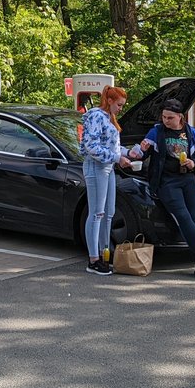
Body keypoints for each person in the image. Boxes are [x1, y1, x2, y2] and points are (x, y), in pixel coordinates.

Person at [140, 99, 195, 280]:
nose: (166, 120)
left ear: (180, 117)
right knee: (182, 217)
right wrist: (141, 150)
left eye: (170, 117)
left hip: (188, 180)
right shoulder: (157, 131)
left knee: (194, 219)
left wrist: (194, 162)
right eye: (164, 117)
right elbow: (142, 152)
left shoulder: (191, 132)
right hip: (166, 182)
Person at [79, 85, 138, 275]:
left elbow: (113, 148)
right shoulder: (97, 115)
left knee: (109, 213)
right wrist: (117, 158)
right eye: (119, 105)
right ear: (110, 101)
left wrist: (130, 153)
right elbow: (91, 146)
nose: (121, 108)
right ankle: (93, 259)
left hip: (107, 168)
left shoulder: (109, 118)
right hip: (96, 167)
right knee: (97, 213)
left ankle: (106, 253)